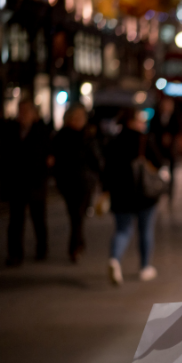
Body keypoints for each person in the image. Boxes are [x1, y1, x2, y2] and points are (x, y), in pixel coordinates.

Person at [103, 109, 163, 284]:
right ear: (131, 122)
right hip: (144, 194)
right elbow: (159, 162)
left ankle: (114, 259)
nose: (143, 123)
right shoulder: (143, 139)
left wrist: (106, 190)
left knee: (122, 230)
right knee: (145, 230)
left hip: (120, 194)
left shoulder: (113, 141)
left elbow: (106, 169)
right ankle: (145, 267)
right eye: (140, 119)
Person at [1, 99, 51, 266]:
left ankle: (42, 249)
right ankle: (15, 254)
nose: (22, 115)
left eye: (26, 112)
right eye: (20, 111)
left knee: (38, 219)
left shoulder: (42, 131)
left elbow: (48, 156)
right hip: (17, 182)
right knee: (16, 221)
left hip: (36, 182)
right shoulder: (11, 130)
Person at [50, 103, 101, 262]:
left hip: (85, 182)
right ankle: (77, 245)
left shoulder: (88, 136)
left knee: (78, 215)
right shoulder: (61, 136)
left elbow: (96, 159)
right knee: (75, 215)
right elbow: (55, 158)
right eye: (75, 118)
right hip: (67, 181)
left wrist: (98, 176)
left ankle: (76, 246)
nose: (78, 121)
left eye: (81, 118)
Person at [149, 97, 179, 201]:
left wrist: (171, 138)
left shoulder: (175, 117)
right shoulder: (156, 117)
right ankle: (159, 190)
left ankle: (170, 192)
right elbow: (151, 132)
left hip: (171, 150)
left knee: (171, 172)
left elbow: (178, 131)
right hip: (158, 150)